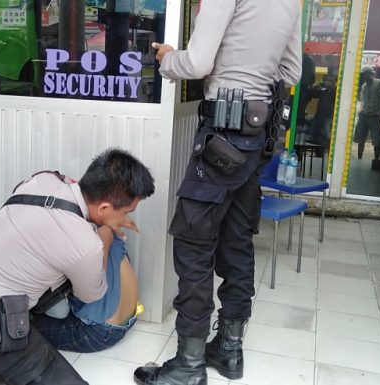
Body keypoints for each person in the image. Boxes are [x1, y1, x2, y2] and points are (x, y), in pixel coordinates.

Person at [139, 1, 301, 384]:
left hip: (222, 136)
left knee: (193, 245)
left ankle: (189, 366)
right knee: (236, 240)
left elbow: (197, 64)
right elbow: (291, 72)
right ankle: (229, 350)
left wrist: (168, 58)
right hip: (256, 138)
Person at [0, 148, 155, 385]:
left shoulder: (42, 180)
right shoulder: (85, 244)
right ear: (104, 208)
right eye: (127, 212)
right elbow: (90, 295)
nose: (126, 219)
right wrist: (105, 235)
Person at [0, 231, 142, 354]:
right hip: (127, 318)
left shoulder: (71, 246)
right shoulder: (104, 225)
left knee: (7, 324)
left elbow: (59, 311)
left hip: (98, 332)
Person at [353, 66, 380, 160]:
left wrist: (379, 112)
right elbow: (362, 99)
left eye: (365, 74)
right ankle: (359, 158)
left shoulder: (379, 82)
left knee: (377, 140)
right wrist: (361, 110)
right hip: (364, 115)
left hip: (374, 116)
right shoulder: (364, 86)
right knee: (361, 138)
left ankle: (376, 159)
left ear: (370, 74)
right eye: (363, 75)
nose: (364, 76)